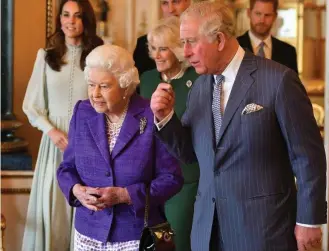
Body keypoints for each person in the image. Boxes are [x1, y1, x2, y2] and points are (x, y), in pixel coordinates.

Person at [150, 2, 326, 251]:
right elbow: (190, 154)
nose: (185, 52)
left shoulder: (279, 81)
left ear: (219, 39)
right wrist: (165, 118)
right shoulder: (199, 88)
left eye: (191, 42)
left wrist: (309, 220)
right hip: (206, 231)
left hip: (263, 230)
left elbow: (308, 158)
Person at [56, 44, 183, 250]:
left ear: (125, 85)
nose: (95, 94)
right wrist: (75, 190)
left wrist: (125, 195)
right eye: (91, 85)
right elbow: (66, 168)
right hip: (88, 233)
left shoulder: (150, 115)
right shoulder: (82, 112)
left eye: (104, 86)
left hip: (137, 236)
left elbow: (172, 179)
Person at [21, 0, 103, 250]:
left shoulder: (98, 55)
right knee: (54, 208)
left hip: (89, 143)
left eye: (77, 16)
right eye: (65, 15)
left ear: (86, 20)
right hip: (54, 143)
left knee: (83, 208)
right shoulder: (46, 56)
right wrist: (51, 130)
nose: (70, 21)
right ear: (59, 19)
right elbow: (31, 104)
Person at [139, 16, 199, 251]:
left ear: (178, 49)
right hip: (152, 182)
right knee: (160, 243)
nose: (157, 55)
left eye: (163, 48)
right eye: (153, 48)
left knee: (179, 242)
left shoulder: (197, 79)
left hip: (185, 179)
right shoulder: (146, 79)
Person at [237, 0, 298, 73]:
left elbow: (292, 84)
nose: (262, 20)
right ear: (249, 13)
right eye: (258, 14)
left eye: (267, 15)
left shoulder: (288, 52)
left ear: (275, 16)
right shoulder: (235, 47)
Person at [133, 0, 191, 76]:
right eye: (165, 3)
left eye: (176, 2)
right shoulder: (143, 44)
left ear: (188, 2)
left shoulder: (201, 40)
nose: (171, 10)